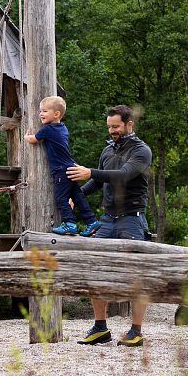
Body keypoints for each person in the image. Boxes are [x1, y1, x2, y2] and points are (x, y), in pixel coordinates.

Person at [66, 104, 152, 347]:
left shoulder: (141, 151)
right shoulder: (107, 151)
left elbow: (123, 175)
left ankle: (136, 330)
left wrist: (89, 172)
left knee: (136, 276)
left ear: (129, 124)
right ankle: (100, 327)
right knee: (95, 270)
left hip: (131, 220)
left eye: (116, 126)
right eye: (109, 127)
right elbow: (98, 180)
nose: (112, 130)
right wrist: (78, 195)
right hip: (107, 219)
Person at [24, 96, 102, 237]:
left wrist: (26, 136)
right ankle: (91, 221)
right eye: (40, 111)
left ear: (56, 114)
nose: (40, 114)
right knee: (78, 196)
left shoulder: (48, 129)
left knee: (60, 198)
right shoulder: (63, 128)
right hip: (70, 167)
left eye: (44, 111)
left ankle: (69, 223)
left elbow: (33, 140)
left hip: (61, 170)